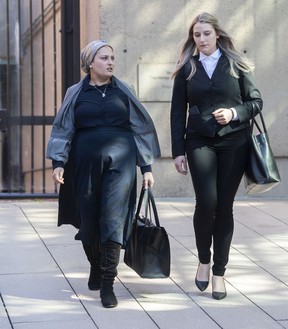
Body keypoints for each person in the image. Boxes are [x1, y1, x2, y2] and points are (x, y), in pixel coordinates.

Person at [46, 40, 160, 308]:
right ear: (90, 63)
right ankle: (95, 266)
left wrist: (146, 167)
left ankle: (108, 281)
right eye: (104, 58)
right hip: (83, 165)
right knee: (88, 219)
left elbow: (140, 128)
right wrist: (58, 163)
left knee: (113, 219)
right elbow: (63, 129)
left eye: (112, 58)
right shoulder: (76, 92)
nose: (110, 62)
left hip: (121, 163)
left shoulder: (124, 90)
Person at [170, 13, 262, 300]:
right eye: (197, 35)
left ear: (217, 35)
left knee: (224, 206)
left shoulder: (236, 64)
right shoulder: (188, 68)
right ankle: (203, 260)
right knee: (205, 202)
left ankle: (219, 273)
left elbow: (255, 101)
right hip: (199, 142)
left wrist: (234, 113)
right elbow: (176, 112)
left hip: (234, 142)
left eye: (206, 34)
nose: (202, 39)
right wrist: (177, 151)